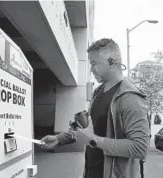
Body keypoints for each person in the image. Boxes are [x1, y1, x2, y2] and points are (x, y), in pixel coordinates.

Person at [40, 38, 150, 178]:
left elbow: (139, 148)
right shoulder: (98, 92)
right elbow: (90, 130)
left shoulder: (131, 98)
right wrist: (59, 138)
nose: (91, 70)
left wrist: (94, 140)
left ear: (111, 62)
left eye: (94, 64)